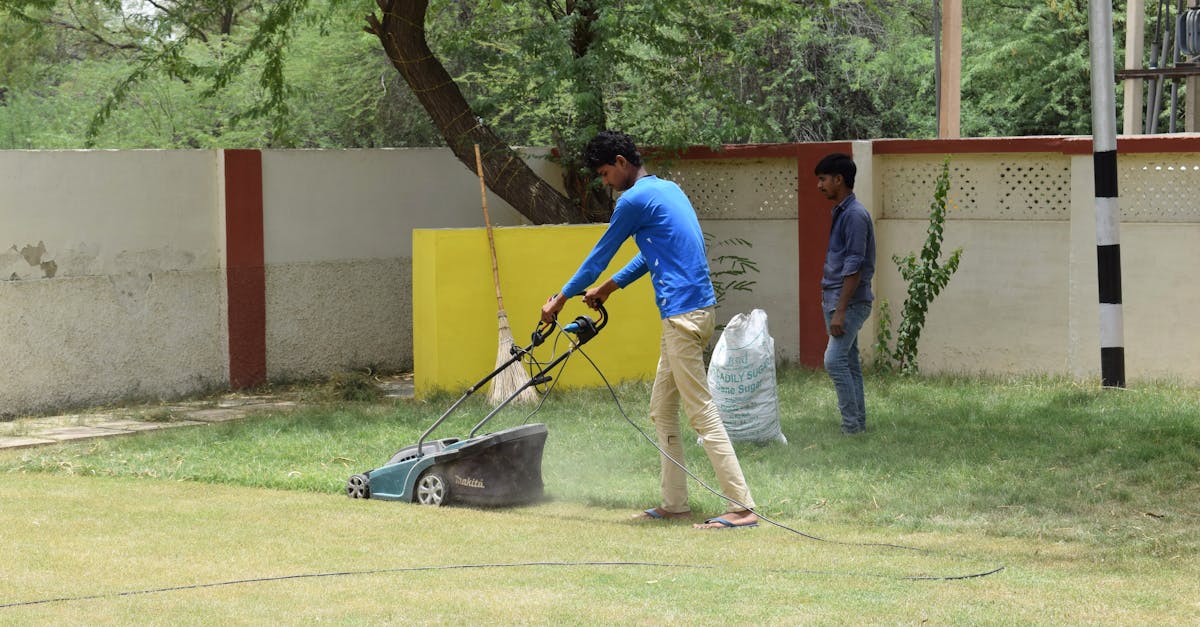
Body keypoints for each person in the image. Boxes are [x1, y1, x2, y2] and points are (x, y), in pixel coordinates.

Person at [541, 130, 758, 530]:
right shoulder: (667, 190)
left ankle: (742, 507)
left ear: (622, 163)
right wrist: (610, 287)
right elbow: (650, 253)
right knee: (662, 410)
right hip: (692, 313)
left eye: (606, 173)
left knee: (702, 412)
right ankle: (675, 503)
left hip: (682, 316)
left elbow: (597, 256)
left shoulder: (633, 199)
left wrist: (560, 298)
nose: (605, 183)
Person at [815, 153, 876, 435]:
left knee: (834, 361)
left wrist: (840, 310)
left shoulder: (853, 215)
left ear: (839, 180)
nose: (820, 185)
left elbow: (854, 266)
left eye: (823, 179)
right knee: (849, 363)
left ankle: (851, 427)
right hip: (838, 300)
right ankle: (857, 426)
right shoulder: (843, 212)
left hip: (849, 303)